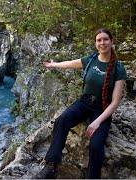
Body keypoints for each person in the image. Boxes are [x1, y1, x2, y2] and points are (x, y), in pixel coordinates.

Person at [32, 28, 127, 179]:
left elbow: (115, 102)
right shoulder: (91, 60)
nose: (102, 43)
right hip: (83, 103)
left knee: (96, 145)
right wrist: (53, 65)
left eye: (105, 39)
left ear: (111, 41)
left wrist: (97, 122)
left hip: (101, 110)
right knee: (61, 121)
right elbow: (70, 63)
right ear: (96, 43)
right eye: (99, 40)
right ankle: (51, 166)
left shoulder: (118, 68)